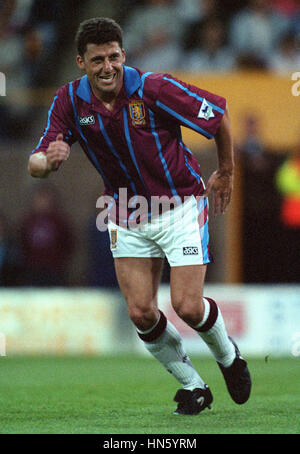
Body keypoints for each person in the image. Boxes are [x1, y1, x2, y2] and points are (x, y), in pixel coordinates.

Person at [27, 17, 251, 415]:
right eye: (97, 60)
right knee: (140, 312)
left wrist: (228, 171)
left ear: (124, 55)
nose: (107, 67)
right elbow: (36, 164)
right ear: (81, 62)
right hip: (125, 209)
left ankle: (229, 358)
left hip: (180, 204)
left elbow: (217, 114)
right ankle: (193, 386)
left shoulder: (153, 88)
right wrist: (47, 159)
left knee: (187, 306)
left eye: (113, 57)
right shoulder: (69, 101)